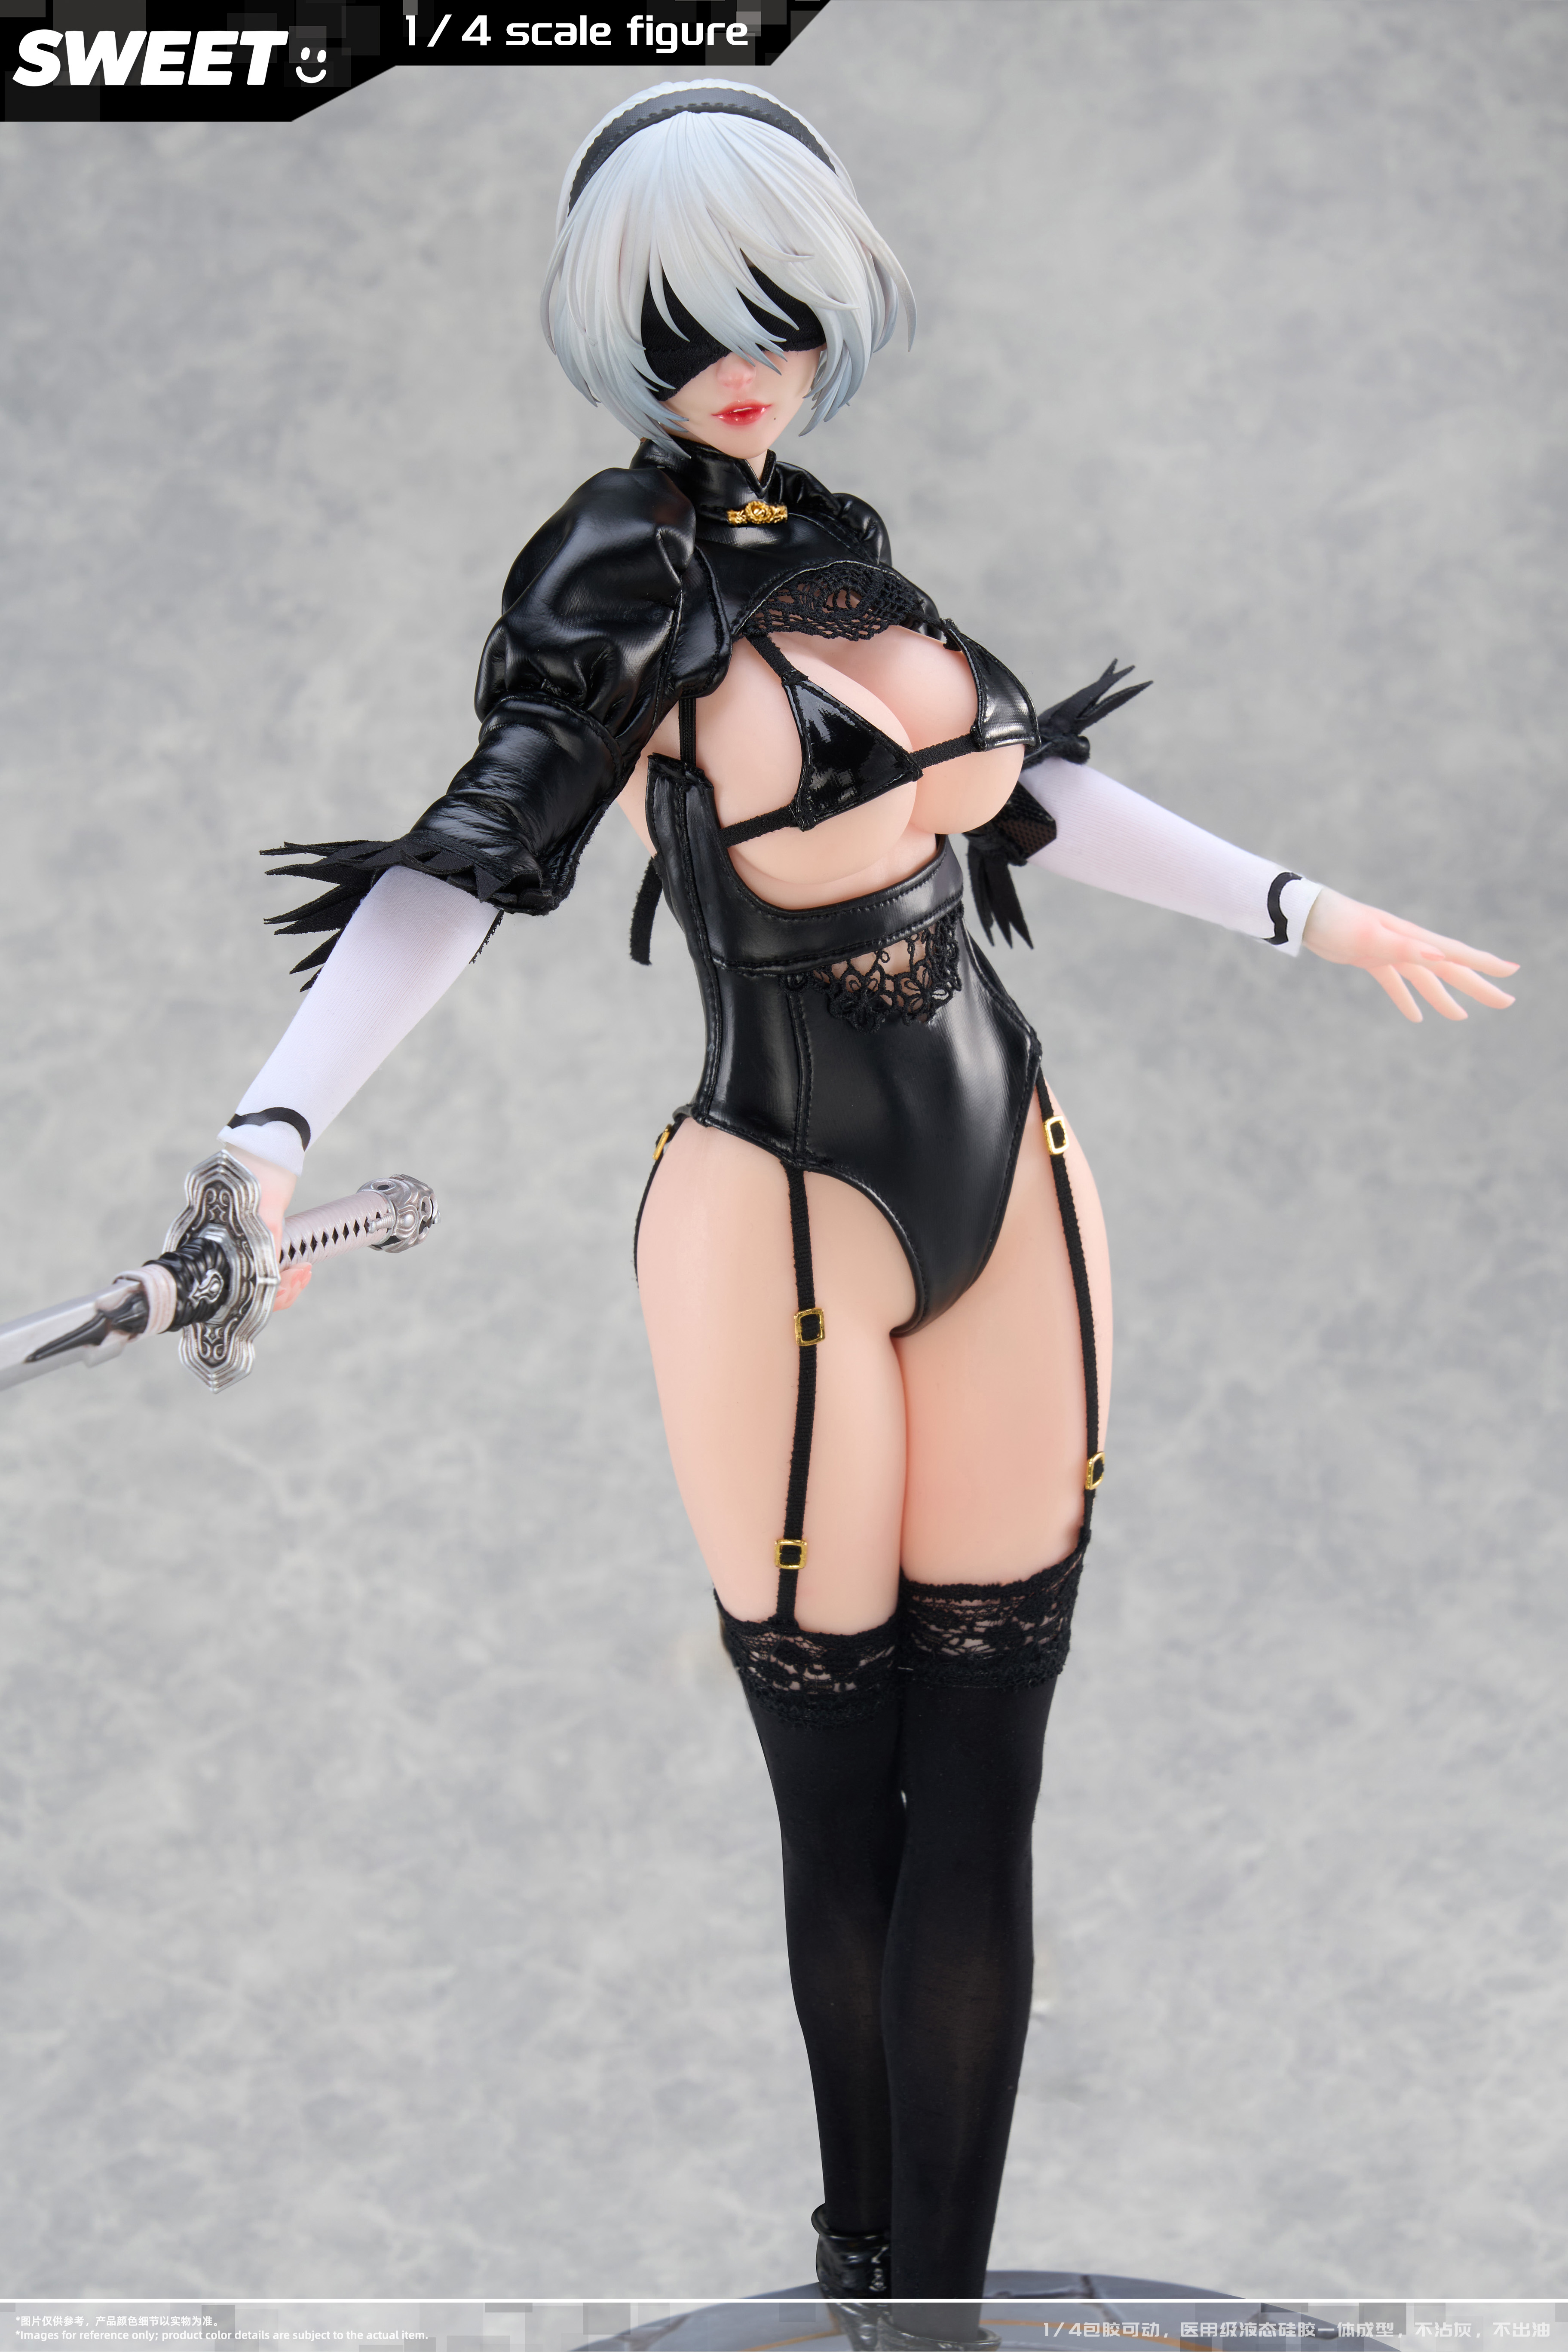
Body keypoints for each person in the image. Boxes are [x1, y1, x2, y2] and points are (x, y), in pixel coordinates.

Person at [210, 83, 1516, 2348]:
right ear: (615, 330)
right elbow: (469, 870)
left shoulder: (845, 544)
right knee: (847, 1796)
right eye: (691, 324)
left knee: (986, 1786)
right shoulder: (611, 575)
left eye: (783, 312)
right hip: (776, 1209)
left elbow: (1027, 795)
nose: (746, 361)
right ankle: (867, 2282)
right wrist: (267, 1135)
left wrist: (1306, 908)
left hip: (1014, 1178)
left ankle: (937, 2314)